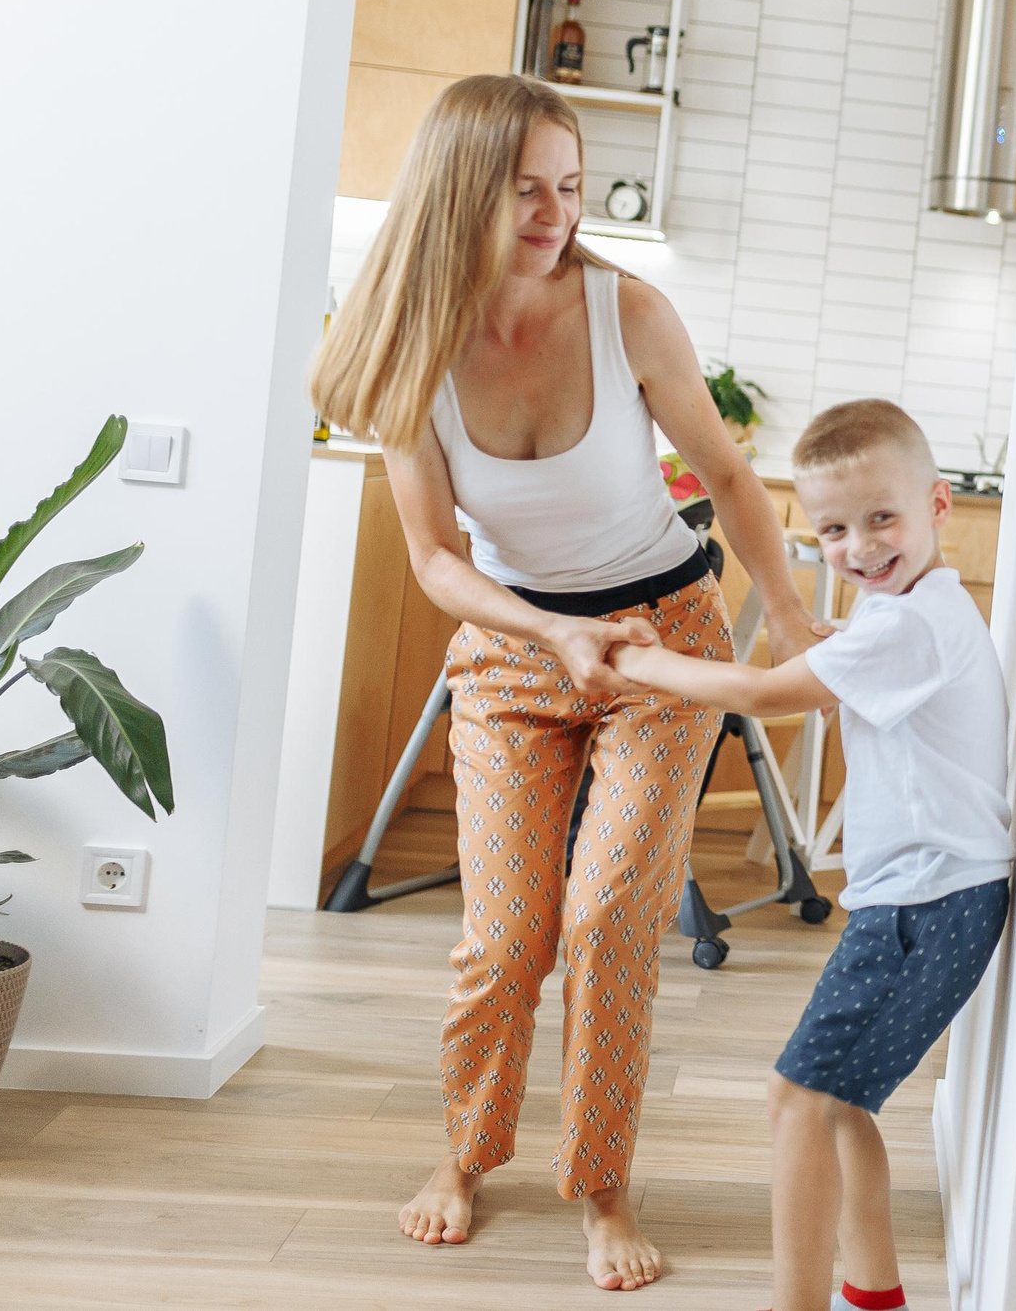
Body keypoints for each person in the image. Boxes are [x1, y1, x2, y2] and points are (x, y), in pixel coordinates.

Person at [309, 74, 824, 1292]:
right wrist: (546, 630)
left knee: (606, 919)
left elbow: (731, 479)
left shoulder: (627, 313)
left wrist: (793, 628)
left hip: (660, 638)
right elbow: (435, 554)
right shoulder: (409, 346)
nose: (553, 211)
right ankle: (464, 1158)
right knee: (502, 939)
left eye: (570, 185)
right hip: (510, 648)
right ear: (458, 191)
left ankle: (602, 1186)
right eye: (525, 186)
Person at [605, 397, 1013, 1311]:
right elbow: (850, 664)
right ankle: (874, 1295)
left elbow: (761, 691)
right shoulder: (919, 610)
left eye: (883, 518)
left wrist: (639, 661)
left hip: (924, 905)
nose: (861, 546)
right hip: (934, 898)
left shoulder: (905, 625)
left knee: (796, 1100)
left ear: (938, 504)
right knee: (838, 1105)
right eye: (835, 530)